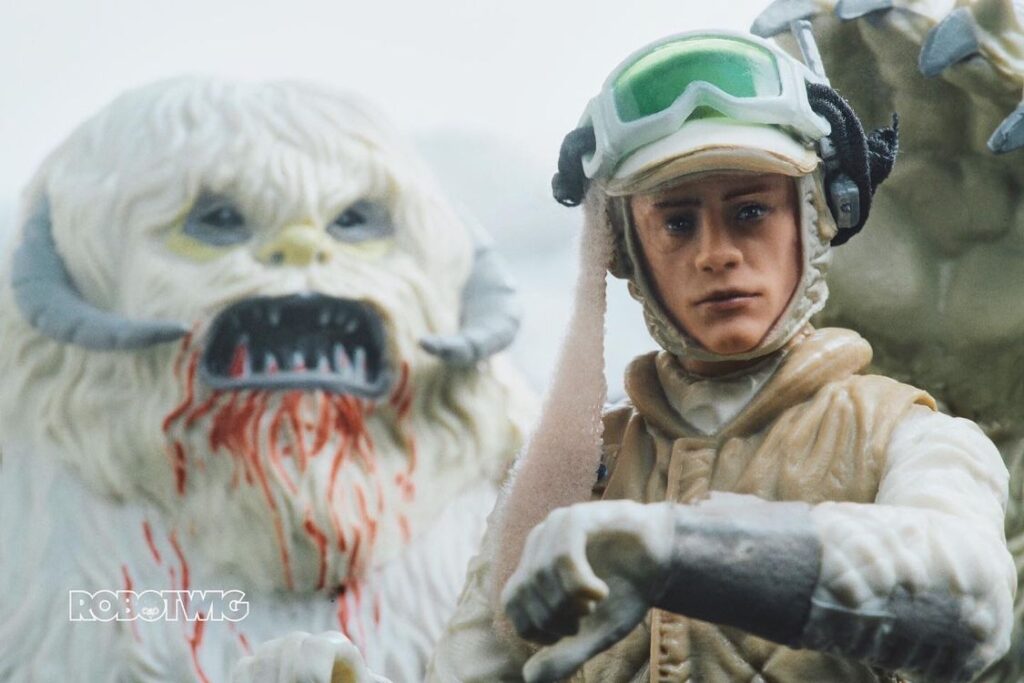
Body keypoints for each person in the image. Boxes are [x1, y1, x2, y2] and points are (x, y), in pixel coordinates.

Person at [232, 28, 1016, 683]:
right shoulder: (572, 473)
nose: (715, 253)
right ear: (624, 248)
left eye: (750, 212)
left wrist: (684, 553)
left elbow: (969, 601)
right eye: (676, 222)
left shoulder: (908, 435)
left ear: (819, 215)